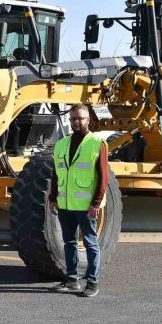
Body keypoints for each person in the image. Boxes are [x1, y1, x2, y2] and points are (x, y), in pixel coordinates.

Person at [48, 104, 109, 298]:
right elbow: (56, 174)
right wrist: (52, 198)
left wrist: (96, 203)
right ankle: (72, 280)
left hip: (86, 206)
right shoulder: (61, 145)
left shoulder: (96, 143)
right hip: (65, 205)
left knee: (91, 243)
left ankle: (92, 282)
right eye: (73, 118)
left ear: (88, 119)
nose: (76, 122)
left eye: (80, 118)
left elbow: (103, 177)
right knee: (69, 243)